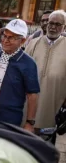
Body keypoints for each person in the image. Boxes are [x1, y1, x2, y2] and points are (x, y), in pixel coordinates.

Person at [25, 10, 66, 144]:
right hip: (28, 104)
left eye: (57, 24)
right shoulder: (33, 43)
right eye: (51, 23)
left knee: (45, 148)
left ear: (64, 26)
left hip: (53, 105)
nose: (53, 27)